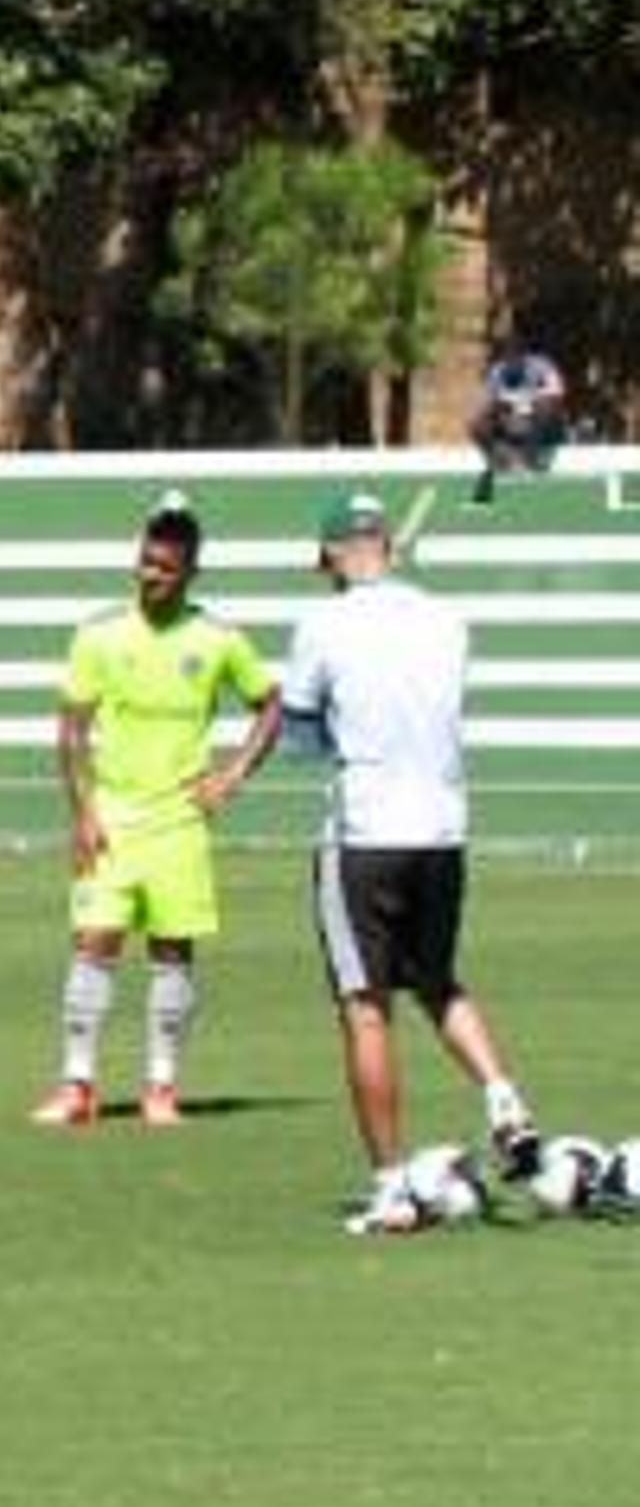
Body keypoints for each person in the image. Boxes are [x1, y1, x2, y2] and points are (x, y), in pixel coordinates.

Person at [281, 491, 547, 1235]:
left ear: (334, 555)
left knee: (365, 1006)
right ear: (388, 547)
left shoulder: (323, 622)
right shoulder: (445, 619)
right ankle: (503, 1098)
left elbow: (301, 734)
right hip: (442, 829)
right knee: (437, 980)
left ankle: (392, 1183)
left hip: (366, 832)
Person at [32, 503, 284, 1128]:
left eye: (165, 568)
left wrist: (233, 773)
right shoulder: (99, 636)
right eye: (144, 561)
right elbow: (70, 731)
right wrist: (83, 810)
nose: (149, 575)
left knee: (173, 953)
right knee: (93, 944)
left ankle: (162, 1088)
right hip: (112, 817)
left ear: (191, 571)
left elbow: (271, 704)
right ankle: (78, 1086)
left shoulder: (218, 640)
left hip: (179, 822)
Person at [469, 344, 568, 498]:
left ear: (524, 357)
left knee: (546, 406)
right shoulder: (497, 372)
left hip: (537, 418)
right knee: (478, 423)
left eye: (515, 357)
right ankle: (500, 461)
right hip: (509, 417)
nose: (511, 361)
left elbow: (557, 390)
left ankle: (533, 459)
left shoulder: (542, 366)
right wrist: (503, 405)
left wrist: (530, 397)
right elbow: (489, 400)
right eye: (507, 357)